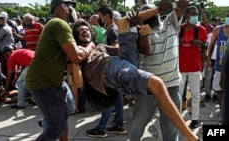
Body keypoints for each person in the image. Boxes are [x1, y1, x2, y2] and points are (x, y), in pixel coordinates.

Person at [71, 18, 198, 141]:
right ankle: (191, 137)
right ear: (76, 38)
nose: (84, 32)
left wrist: (142, 34)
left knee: (123, 22)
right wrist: (85, 52)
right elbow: (78, 82)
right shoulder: (78, 53)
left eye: (86, 29)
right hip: (108, 70)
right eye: (80, 31)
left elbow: (119, 48)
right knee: (157, 84)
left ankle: (156, 10)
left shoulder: (99, 47)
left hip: (121, 62)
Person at [25, 0, 87, 140]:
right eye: (73, 8)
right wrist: (90, 47)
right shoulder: (59, 24)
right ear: (65, 7)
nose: (75, 12)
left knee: (63, 118)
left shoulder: (58, 25)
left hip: (54, 82)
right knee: (56, 126)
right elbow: (76, 57)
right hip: (42, 83)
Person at [129, 0, 189, 140]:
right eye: (145, 13)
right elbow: (146, 50)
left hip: (171, 86)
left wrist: (169, 4)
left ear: (157, 13)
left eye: (152, 12)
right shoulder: (140, 31)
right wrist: (141, 27)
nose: (150, 15)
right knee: (138, 125)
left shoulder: (170, 22)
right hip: (148, 86)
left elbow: (184, 4)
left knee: (171, 127)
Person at [86, 6, 126, 138]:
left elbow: (116, 48)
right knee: (117, 96)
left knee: (107, 97)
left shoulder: (112, 31)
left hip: (110, 69)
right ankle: (119, 124)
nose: (99, 20)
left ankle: (101, 128)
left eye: (100, 17)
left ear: (107, 16)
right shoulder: (109, 30)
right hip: (113, 68)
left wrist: (101, 47)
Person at [179, 5, 208, 129]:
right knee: (178, 94)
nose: (196, 16)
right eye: (193, 14)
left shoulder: (200, 30)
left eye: (197, 14)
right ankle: (178, 117)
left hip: (194, 67)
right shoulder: (179, 29)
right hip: (180, 67)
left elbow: (205, 47)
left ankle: (195, 119)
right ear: (187, 15)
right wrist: (177, 41)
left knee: (196, 95)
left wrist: (201, 43)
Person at [207, 11, 229, 113]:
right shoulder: (218, 30)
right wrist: (208, 60)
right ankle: (222, 110)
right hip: (219, 66)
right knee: (219, 88)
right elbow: (211, 45)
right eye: (227, 15)